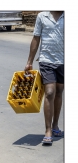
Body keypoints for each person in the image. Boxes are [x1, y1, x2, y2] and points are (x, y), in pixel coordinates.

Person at [24, 11, 64, 145]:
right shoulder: (42, 16)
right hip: (46, 60)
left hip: (64, 61)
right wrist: (29, 61)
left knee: (59, 91)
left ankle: (55, 125)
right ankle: (48, 130)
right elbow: (36, 38)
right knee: (50, 92)